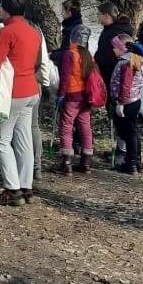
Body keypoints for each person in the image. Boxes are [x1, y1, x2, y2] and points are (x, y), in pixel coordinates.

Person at [0, 0, 42, 206]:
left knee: (0, 140)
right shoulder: (33, 31)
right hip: (30, 89)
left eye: (1, 7)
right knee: (24, 138)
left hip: (11, 92)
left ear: (7, 8)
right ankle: (26, 186)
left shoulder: (6, 32)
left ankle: (12, 188)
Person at [56, 25, 97, 175]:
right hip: (86, 98)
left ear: (72, 38)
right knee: (85, 128)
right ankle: (86, 162)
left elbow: (65, 77)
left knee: (66, 127)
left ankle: (67, 163)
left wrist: (60, 94)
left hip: (72, 96)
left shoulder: (70, 54)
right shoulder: (89, 55)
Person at [110, 35, 143, 174]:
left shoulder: (126, 62)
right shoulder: (134, 59)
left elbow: (125, 85)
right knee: (133, 131)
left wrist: (121, 103)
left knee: (129, 132)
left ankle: (130, 163)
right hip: (134, 100)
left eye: (115, 47)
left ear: (122, 48)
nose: (113, 50)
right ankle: (136, 161)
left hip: (127, 102)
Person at [94, 2, 135, 88]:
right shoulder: (108, 29)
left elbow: (123, 57)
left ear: (106, 15)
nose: (98, 17)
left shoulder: (117, 32)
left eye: (99, 14)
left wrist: (101, 62)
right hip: (104, 73)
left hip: (112, 77)